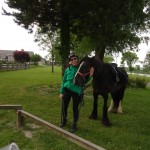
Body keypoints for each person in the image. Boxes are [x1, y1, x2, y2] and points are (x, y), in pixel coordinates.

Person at [59, 53, 94, 133]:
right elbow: (63, 81)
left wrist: (90, 76)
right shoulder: (67, 70)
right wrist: (61, 92)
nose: (74, 60)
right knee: (64, 107)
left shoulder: (80, 68)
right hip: (67, 89)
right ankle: (64, 121)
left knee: (75, 109)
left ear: (77, 59)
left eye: (75, 58)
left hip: (77, 91)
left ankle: (74, 125)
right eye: (72, 59)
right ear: (70, 62)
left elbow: (84, 81)